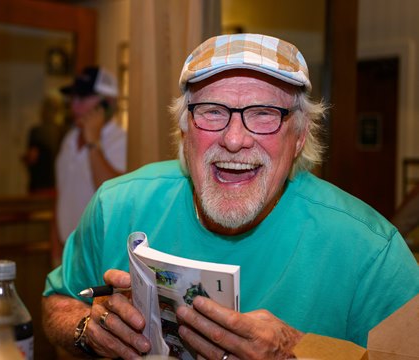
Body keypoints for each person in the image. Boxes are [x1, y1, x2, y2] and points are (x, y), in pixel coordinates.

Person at [42, 34, 419, 360]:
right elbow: (57, 300)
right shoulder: (118, 206)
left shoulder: (371, 252)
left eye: (264, 114)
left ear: (300, 138)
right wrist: (86, 330)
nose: (235, 139)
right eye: (212, 111)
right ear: (185, 131)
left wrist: (297, 351)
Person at [54, 66, 127, 253]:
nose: (74, 106)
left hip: (97, 253)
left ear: (107, 103)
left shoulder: (121, 141)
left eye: (82, 98)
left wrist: (93, 143)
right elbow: (62, 194)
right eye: (73, 98)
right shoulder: (69, 138)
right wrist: (55, 242)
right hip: (67, 249)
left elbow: (111, 194)